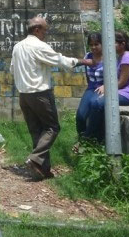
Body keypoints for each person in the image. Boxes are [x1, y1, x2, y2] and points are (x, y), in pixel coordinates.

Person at [10, 16, 83, 180]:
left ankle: (42, 169)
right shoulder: (39, 46)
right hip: (40, 94)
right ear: (37, 30)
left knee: (37, 131)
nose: (46, 34)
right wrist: (84, 61)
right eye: (45, 30)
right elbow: (60, 60)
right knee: (52, 128)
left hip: (24, 95)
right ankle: (35, 159)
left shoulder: (17, 47)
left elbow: (12, 69)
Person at [84, 30, 129, 142]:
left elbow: (121, 82)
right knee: (97, 103)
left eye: (112, 42)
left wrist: (106, 88)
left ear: (122, 44)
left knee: (97, 103)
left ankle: (88, 138)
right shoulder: (121, 57)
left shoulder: (126, 58)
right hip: (124, 92)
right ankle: (97, 139)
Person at [74, 32, 104, 145]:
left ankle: (90, 140)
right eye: (91, 45)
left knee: (94, 107)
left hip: (103, 88)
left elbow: (115, 76)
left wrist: (106, 86)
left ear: (102, 44)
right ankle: (81, 140)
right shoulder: (88, 56)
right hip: (91, 88)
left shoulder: (108, 57)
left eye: (96, 44)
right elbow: (87, 75)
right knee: (80, 116)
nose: (93, 47)